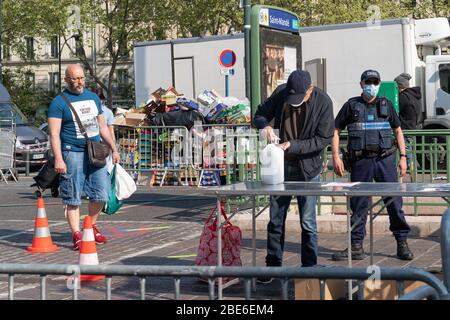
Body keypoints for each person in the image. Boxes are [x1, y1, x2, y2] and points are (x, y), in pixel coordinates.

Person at [253, 70, 335, 283]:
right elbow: (259, 114)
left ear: (310, 89)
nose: (294, 102)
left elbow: (323, 139)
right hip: (281, 167)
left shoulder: (324, 102)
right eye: (292, 97)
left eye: (299, 97)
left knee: (308, 221)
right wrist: (265, 126)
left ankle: (309, 267)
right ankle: (272, 267)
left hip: (308, 169)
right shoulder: (282, 93)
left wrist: (294, 145)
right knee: (275, 219)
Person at [331, 69, 414, 261]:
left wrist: (403, 157)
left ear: (379, 84)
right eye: (368, 82)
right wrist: (336, 156)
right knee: (359, 204)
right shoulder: (351, 106)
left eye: (375, 82)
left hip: (385, 160)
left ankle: (402, 243)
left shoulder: (386, 105)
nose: (371, 85)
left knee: (394, 203)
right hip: (360, 162)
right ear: (361, 84)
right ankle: (356, 246)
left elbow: (398, 131)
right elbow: (335, 130)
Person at [47, 64, 120, 251]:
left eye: (81, 78)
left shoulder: (93, 98)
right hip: (72, 152)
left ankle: (90, 225)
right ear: (66, 79)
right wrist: (59, 159)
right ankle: (76, 234)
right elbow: (54, 134)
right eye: (74, 78)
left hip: (94, 151)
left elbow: (102, 126)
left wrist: (114, 148)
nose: (79, 82)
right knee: (73, 195)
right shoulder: (58, 102)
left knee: (101, 192)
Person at [394, 73, 423, 174]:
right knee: (411, 157)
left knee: (406, 158)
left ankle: (406, 183)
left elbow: (394, 112)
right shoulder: (415, 95)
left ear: (399, 86)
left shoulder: (403, 97)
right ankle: (412, 181)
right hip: (414, 130)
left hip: (405, 131)